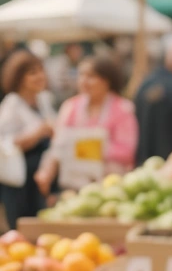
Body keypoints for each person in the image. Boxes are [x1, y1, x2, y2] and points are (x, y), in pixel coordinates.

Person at [35, 53, 138, 196]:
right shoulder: (70, 107)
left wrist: (90, 148)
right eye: (81, 75)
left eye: (91, 76)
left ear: (106, 80)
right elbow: (58, 146)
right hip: (73, 185)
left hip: (111, 187)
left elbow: (128, 150)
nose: (84, 81)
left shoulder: (122, 109)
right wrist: (46, 172)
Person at [0, 50, 55, 227]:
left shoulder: (44, 100)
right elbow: (6, 142)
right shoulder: (12, 104)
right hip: (19, 178)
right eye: (32, 73)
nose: (39, 76)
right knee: (22, 225)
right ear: (19, 77)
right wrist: (37, 133)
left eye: (40, 71)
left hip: (41, 175)